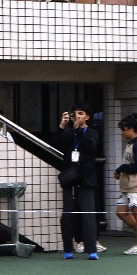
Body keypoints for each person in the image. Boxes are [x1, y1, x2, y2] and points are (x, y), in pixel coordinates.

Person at [54, 104, 101, 260]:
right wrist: (62, 126)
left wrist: (79, 130)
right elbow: (57, 142)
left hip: (86, 179)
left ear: (87, 117)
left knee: (88, 215)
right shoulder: (70, 132)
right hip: (70, 178)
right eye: (75, 114)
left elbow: (91, 146)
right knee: (67, 215)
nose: (78, 116)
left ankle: (91, 249)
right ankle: (68, 249)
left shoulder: (92, 132)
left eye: (81, 113)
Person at [113, 113, 137, 254]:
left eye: (123, 130)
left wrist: (121, 168)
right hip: (128, 186)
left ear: (131, 129)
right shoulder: (131, 144)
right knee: (121, 212)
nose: (122, 133)